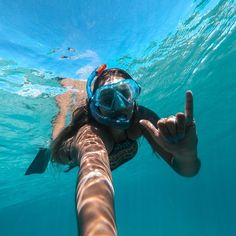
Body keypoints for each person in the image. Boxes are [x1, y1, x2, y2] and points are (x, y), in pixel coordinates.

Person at [27, 64, 201, 235]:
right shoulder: (91, 137)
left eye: (125, 94)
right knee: (56, 136)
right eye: (107, 98)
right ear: (96, 104)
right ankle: (62, 108)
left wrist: (186, 154)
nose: (119, 105)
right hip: (65, 153)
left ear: (134, 95)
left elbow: (188, 171)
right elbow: (93, 180)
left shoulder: (142, 120)